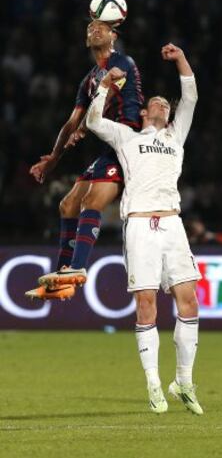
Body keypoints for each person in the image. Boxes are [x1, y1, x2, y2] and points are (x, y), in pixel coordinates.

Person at [86, 43, 203, 416]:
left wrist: (181, 58)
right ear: (146, 111)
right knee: (147, 305)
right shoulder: (128, 137)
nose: (162, 105)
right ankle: (154, 384)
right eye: (156, 102)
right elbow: (92, 122)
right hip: (139, 224)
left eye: (166, 105)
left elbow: (191, 94)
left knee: (190, 301)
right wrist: (105, 84)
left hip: (172, 222)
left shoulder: (175, 137)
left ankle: (183, 381)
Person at [26, 20, 143, 300]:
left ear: (114, 35)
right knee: (67, 204)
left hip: (128, 140)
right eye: (90, 28)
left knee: (91, 201)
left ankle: (76, 268)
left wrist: (84, 127)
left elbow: (113, 92)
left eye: (102, 27)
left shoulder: (122, 62)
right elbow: (72, 122)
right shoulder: (88, 79)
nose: (94, 30)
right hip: (108, 148)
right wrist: (53, 158)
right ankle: (61, 279)